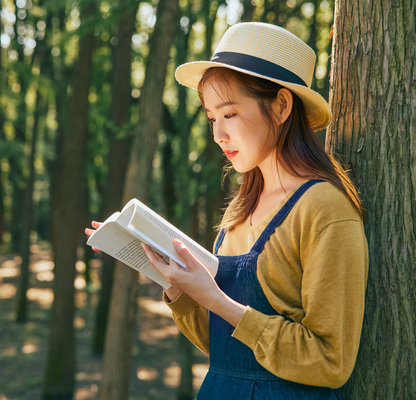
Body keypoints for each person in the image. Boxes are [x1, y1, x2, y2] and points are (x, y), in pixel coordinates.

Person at [87, 22, 368, 399]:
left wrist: (219, 301)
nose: (218, 134)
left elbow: (330, 361)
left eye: (230, 114)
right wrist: (179, 288)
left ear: (282, 106)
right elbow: (226, 348)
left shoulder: (325, 209)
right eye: (211, 118)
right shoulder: (239, 210)